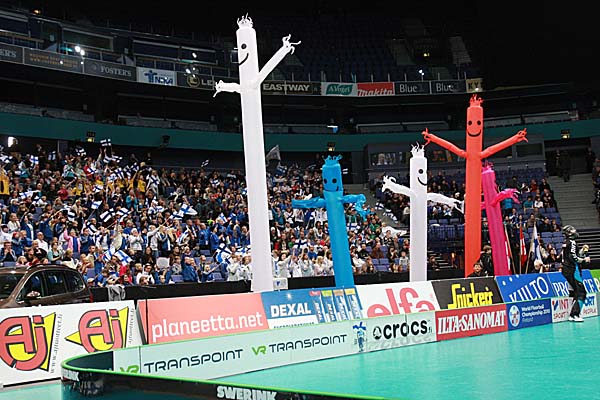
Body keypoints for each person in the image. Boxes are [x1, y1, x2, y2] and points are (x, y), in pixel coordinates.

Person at [561, 225, 589, 322]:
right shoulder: (572, 242)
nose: (575, 232)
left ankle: (573, 314)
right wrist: (584, 260)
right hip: (572, 270)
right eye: (573, 230)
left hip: (566, 269)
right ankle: (575, 315)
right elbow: (573, 257)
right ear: (570, 233)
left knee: (576, 292)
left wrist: (581, 251)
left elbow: (572, 255)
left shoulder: (566, 242)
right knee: (581, 292)